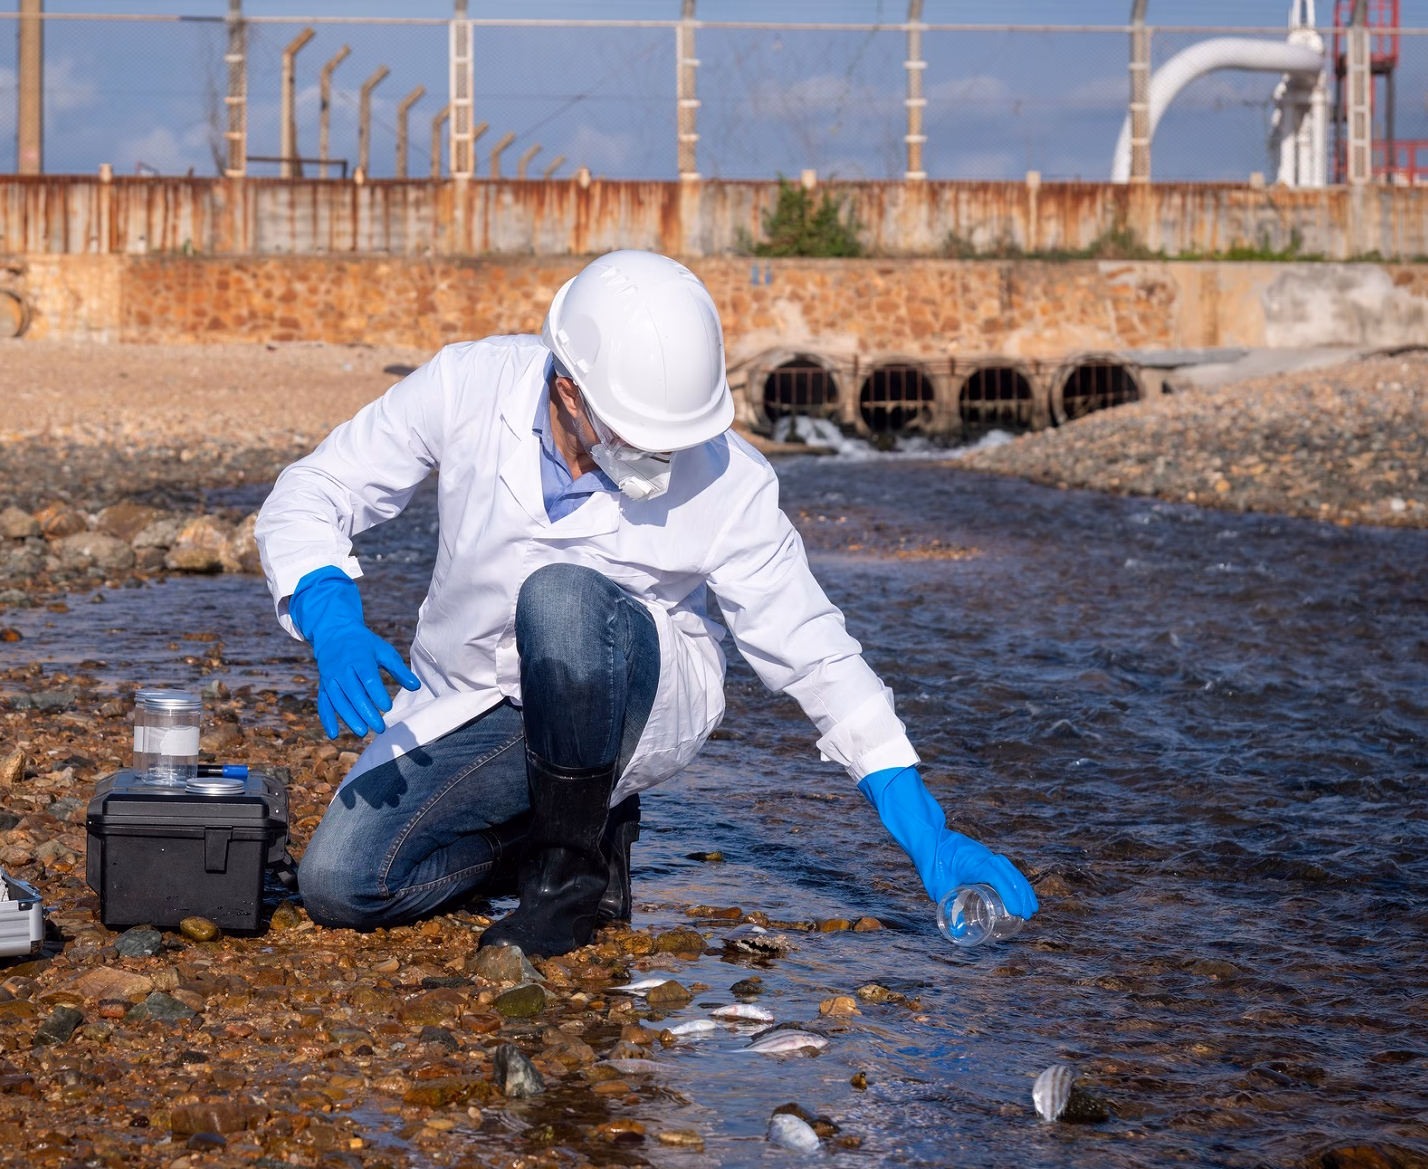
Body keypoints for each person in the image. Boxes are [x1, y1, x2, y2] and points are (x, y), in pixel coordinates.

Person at [255, 249, 1037, 958]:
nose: (661, 459)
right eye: (640, 438)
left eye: (673, 440)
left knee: (559, 596)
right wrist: (329, 609)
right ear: (568, 391)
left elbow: (813, 649)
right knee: (341, 883)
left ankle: (564, 888)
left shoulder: (731, 481)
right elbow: (318, 488)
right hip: (469, 698)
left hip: (628, 693)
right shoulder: (468, 385)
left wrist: (925, 830)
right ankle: (572, 829)